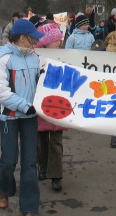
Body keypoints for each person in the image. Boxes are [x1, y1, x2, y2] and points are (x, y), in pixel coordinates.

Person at [0, 18, 44, 215]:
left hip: (29, 117)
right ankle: (3, 189)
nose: (35, 42)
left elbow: (41, 84)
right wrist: (24, 106)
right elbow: (1, 92)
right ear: (22, 38)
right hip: (10, 117)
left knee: (30, 162)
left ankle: (30, 206)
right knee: (9, 159)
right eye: (32, 38)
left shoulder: (35, 57)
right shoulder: (2, 59)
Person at [35, 24, 66, 191]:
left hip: (59, 105)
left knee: (56, 141)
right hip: (41, 103)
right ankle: (43, 165)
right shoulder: (35, 57)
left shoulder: (65, 56)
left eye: (60, 40)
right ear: (46, 42)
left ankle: (56, 175)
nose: (59, 43)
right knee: (41, 139)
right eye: (55, 40)